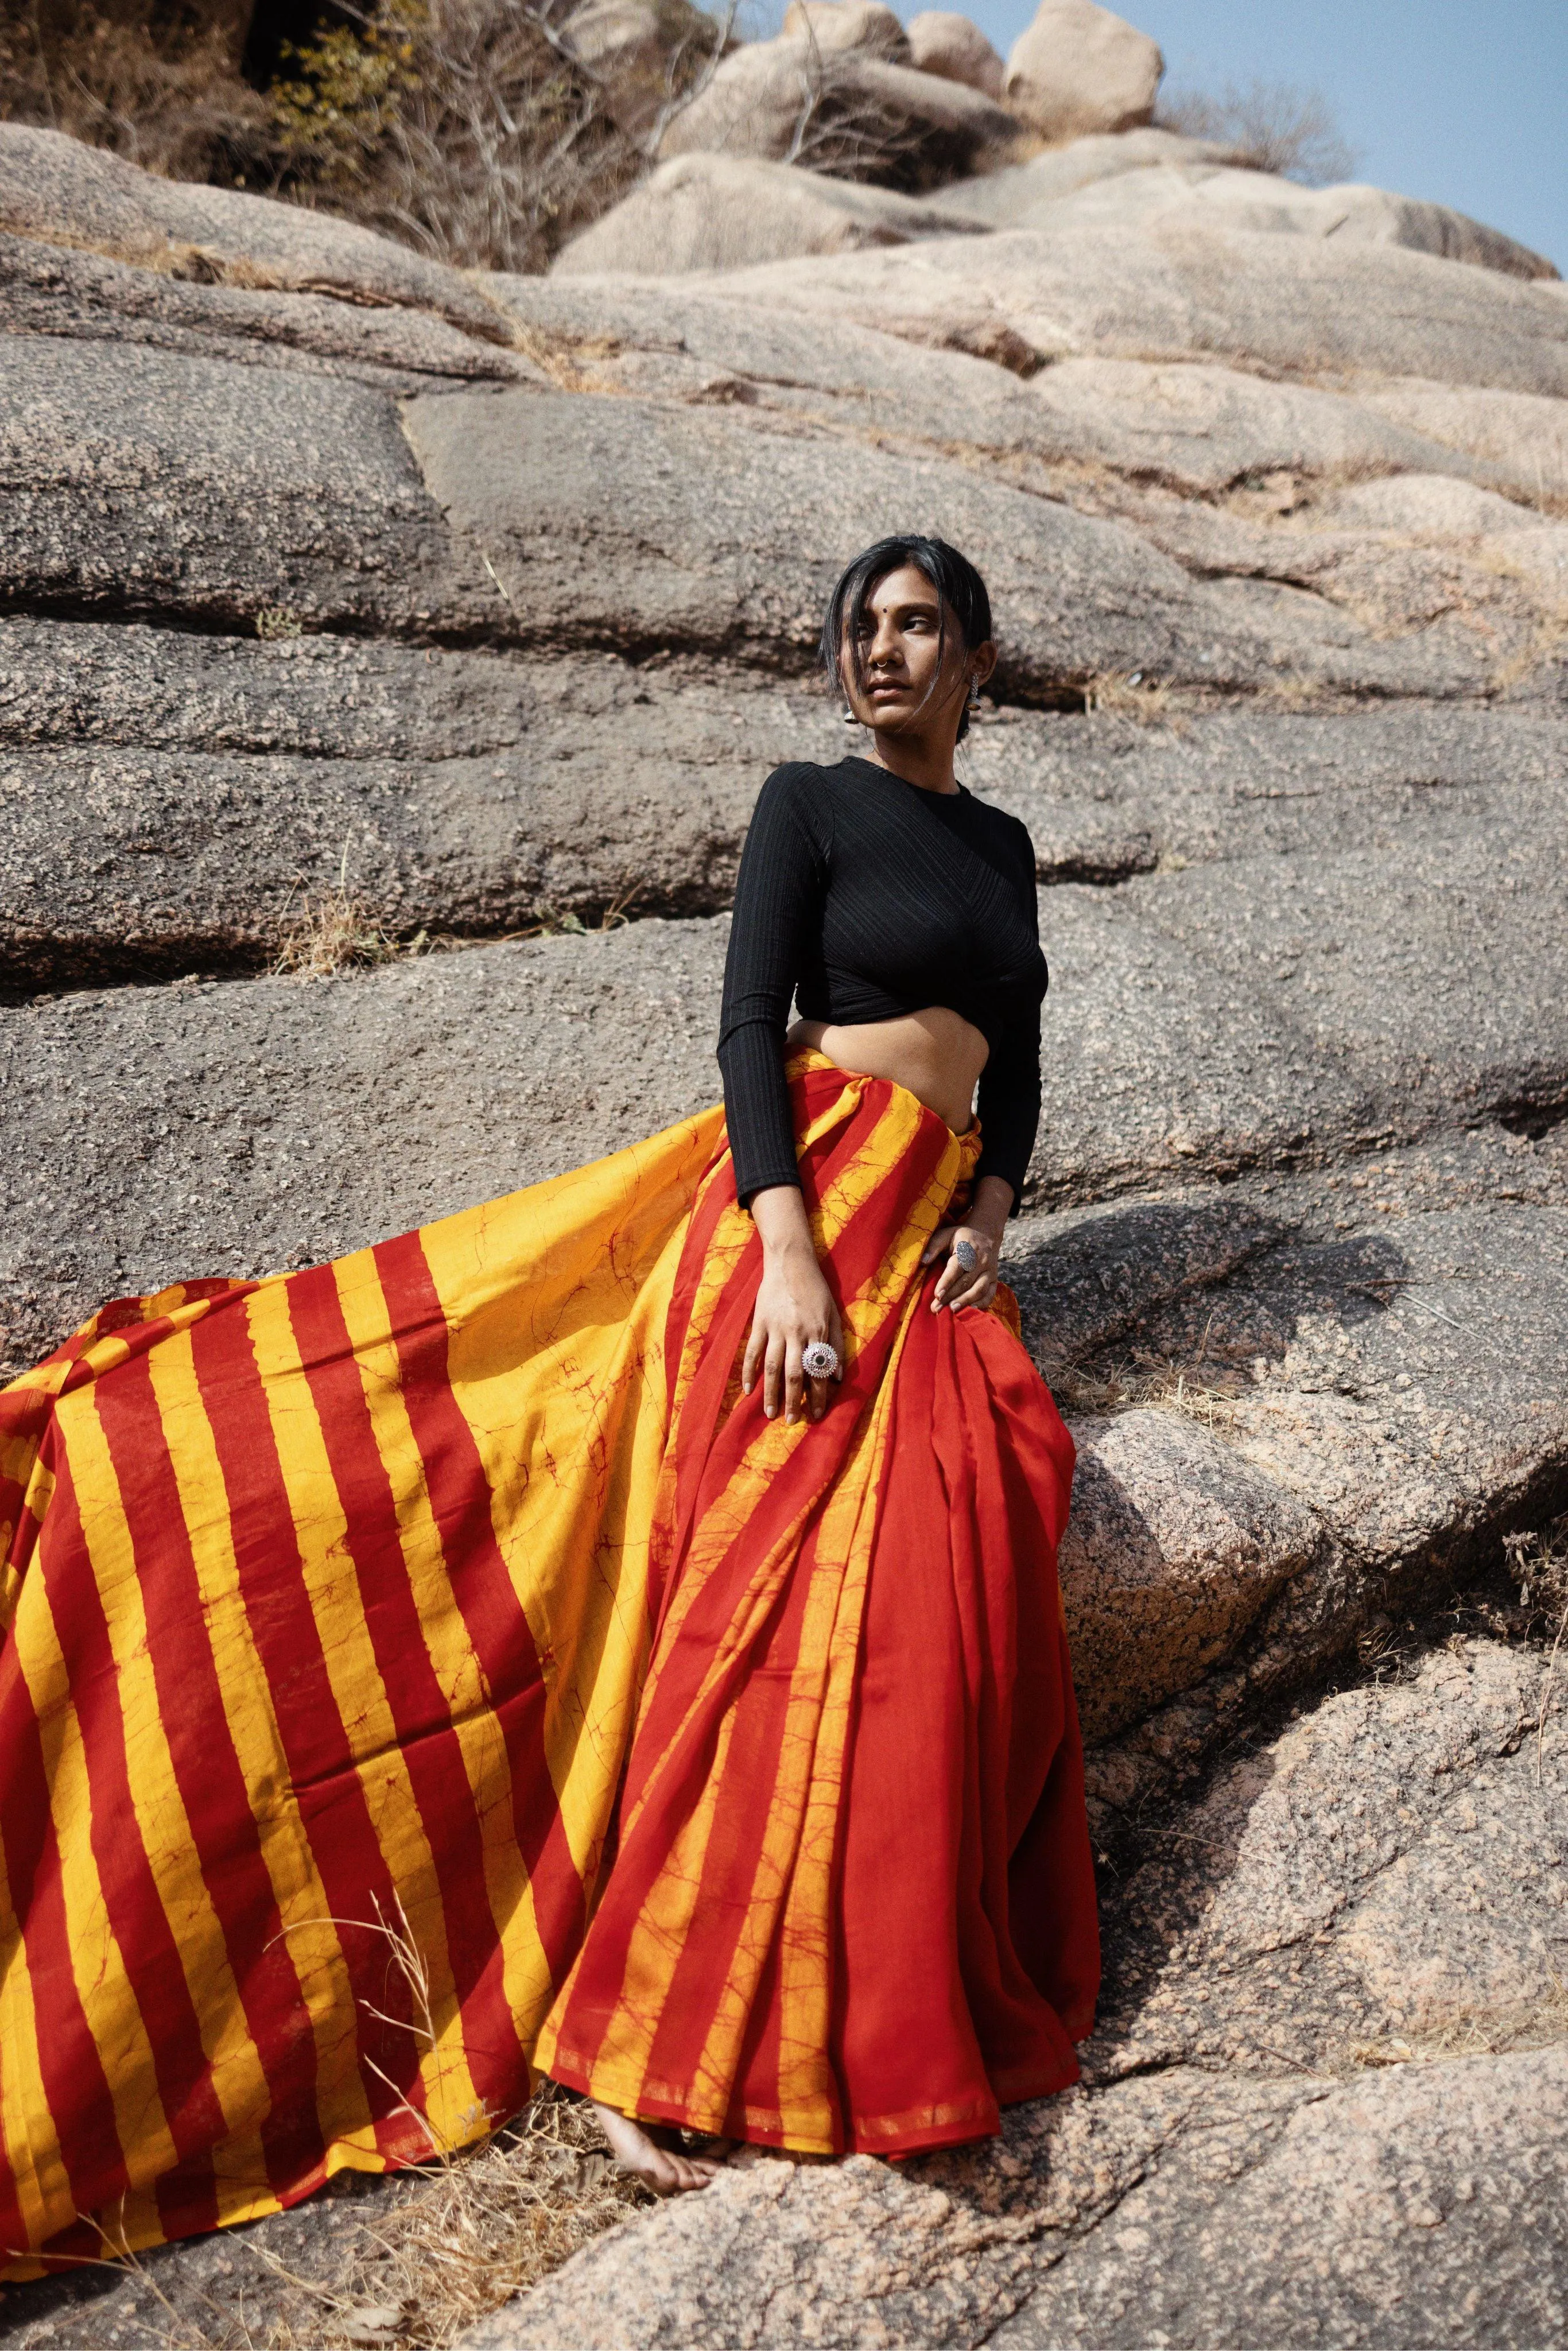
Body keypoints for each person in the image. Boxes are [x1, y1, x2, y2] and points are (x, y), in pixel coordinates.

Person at [0, 537, 1097, 2275]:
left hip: (927, 1244)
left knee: (983, 1534)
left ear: (975, 654)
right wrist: (788, 1257)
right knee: (758, 1607)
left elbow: (1015, 1068)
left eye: (913, 627)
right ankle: (622, 2045)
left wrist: (987, 1213)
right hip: (805, 1212)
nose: (878, 652)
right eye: (857, 629)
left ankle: (837, 2001)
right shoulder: (805, 803)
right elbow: (751, 1032)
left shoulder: (1001, 848)